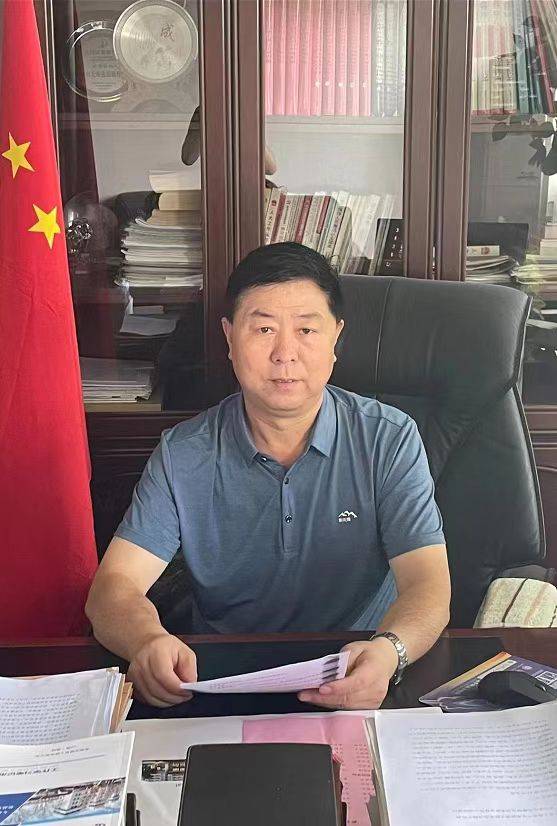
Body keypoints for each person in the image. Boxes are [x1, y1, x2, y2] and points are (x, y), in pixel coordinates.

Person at [85, 242, 451, 710]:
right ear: (229, 338)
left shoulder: (388, 438)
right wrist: (146, 640)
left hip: (359, 670)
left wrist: (389, 651)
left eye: (306, 330)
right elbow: (112, 588)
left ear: (336, 338)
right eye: (263, 329)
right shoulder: (184, 453)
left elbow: (428, 585)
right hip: (222, 677)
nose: (285, 354)